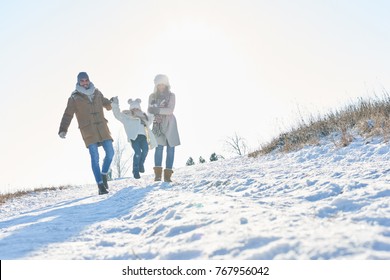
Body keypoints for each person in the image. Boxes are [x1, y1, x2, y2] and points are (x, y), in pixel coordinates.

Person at [58, 72, 114, 195]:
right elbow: (68, 114)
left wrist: (112, 103)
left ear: (89, 80)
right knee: (95, 157)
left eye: (86, 80)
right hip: (88, 130)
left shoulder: (97, 92)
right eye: (82, 81)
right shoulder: (74, 98)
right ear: (78, 82)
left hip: (102, 128)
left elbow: (107, 105)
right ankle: (100, 185)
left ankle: (104, 174)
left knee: (110, 153)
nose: (84, 82)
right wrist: (63, 129)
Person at [111, 97, 157, 179]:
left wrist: (153, 106)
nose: (136, 109)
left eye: (137, 108)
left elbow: (151, 116)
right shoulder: (127, 116)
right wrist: (115, 105)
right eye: (134, 108)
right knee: (138, 152)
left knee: (145, 150)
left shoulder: (144, 117)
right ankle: (135, 170)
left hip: (143, 137)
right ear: (131, 109)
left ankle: (141, 164)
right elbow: (117, 115)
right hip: (134, 137)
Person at [148, 74, 180, 182]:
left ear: (166, 84)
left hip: (170, 123)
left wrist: (157, 110)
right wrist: (154, 112)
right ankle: (157, 175)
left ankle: (167, 176)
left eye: (163, 84)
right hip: (158, 124)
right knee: (159, 148)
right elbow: (150, 110)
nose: (161, 86)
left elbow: (170, 110)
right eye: (159, 84)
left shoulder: (171, 96)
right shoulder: (152, 96)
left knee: (171, 148)